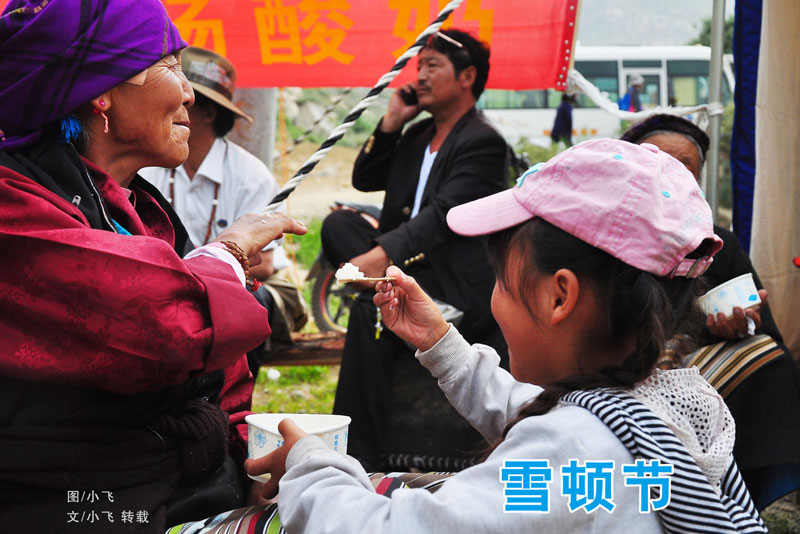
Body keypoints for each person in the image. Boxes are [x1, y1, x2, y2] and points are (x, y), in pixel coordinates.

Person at [240, 139, 765, 533]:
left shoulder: (571, 452)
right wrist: (440, 343)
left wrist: (310, 466)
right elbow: (539, 412)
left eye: (502, 280)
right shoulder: (671, 408)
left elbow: (387, 528)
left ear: (559, 297)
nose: (495, 296)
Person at [0, 1, 306, 531]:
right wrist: (229, 251)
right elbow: (161, 324)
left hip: (178, 489)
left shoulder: (140, 212)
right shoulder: (14, 205)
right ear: (101, 92)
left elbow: (222, 372)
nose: (189, 93)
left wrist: (248, 455)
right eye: (170, 66)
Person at [319, 29, 509, 470]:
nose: (419, 76)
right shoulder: (418, 134)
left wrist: (379, 255)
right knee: (338, 224)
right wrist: (392, 121)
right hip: (409, 264)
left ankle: (359, 457)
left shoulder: (483, 141)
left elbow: (442, 216)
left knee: (368, 314)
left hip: (452, 280)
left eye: (432, 66)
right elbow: (365, 178)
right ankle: (384, 286)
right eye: (418, 66)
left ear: (467, 77)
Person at [621, 113, 800, 510]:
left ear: (698, 183)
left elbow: (761, 329)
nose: (670, 175)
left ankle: (748, 498)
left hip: (694, 374)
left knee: (768, 358)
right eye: (656, 161)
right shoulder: (602, 239)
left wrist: (738, 325)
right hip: (616, 371)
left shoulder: (718, 245)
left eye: (684, 167)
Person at [139, 46, 307, 379]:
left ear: (209, 114)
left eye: (187, 100)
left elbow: (265, 263)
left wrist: (204, 268)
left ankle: (226, 397)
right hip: (174, 285)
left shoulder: (251, 176)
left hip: (248, 285)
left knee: (239, 303)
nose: (174, 105)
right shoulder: (149, 167)